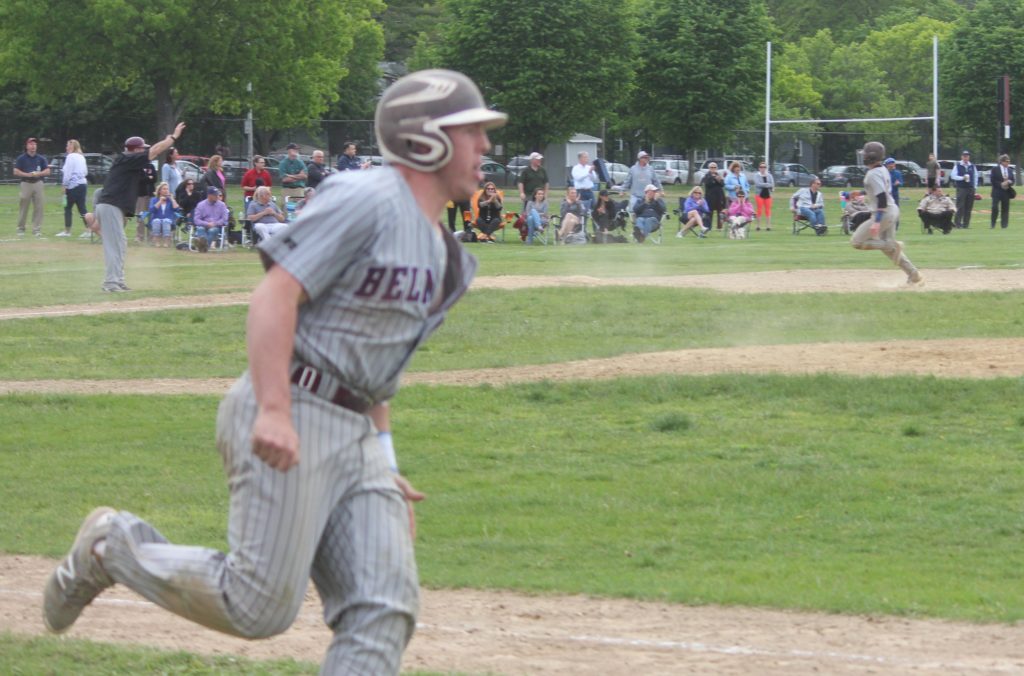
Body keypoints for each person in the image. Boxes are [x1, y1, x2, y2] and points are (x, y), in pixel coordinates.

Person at [43, 68, 501, 675]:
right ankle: (112, 547)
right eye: (471, 132)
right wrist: (276, 410)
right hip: (292, 403)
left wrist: (387, 463)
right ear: (425, 139)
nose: (486, 146)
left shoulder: (449, 259)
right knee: (258, 606)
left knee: (384, 607)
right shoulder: (364, 199)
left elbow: (378, 368)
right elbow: (275, 296)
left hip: (357, 435)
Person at [88, 125, 185, 292]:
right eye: (142, 149)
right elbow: (155, 150)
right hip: (110, 206)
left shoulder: (130, 165)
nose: (144, 151)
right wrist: (173, 138)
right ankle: (110, 283)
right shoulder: (126, 159)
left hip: (115, 207)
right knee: (115, 245)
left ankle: (118, 281)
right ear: (135, 150)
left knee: (120, 243)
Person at [851, 141, 922, 285]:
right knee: (888, 249)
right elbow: (878, 190)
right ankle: (913, 274)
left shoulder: (873, 174)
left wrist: (877, 222)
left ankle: (890, 244)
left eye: (865, 154)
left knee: (857, 242)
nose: (864, 157)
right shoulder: (882, 169)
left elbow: (882, 198)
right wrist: (861, 192)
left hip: (883, 213)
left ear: (871, 156)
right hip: (891, 210)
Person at [14, 137, 50, 237]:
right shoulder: (21, 158)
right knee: (24, 206)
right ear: (27, 146)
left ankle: (36, 229)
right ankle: (21, 228)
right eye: (31, 144)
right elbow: (16, 171)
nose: (33, 146)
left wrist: (39, 173)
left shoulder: (41, 158)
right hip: (26, 183)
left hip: (38, 183)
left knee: (39, 207)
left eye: (34, 144)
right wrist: (27, 175)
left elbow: (47, 171)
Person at [59, 139, 89, 238]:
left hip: (73, 186)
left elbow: (68, 173)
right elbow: (85, 172)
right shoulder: (82, 157)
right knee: (82, 208)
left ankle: (67, 231)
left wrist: (64, 185)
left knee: (68, 208)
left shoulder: (70, 157)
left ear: (72, 147)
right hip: (82, 185)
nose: (66, 148)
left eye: (68, 146)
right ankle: (88, 230)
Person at [192, 186, 230, 251]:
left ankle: (202, 246)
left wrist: (215, 223)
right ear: (209, 195)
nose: (217, 196)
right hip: (203, 226)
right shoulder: (201, 205)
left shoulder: (222, 205)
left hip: (216, 227)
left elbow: (224, 219)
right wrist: (207, 224)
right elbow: (196, 220)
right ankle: (204, 246)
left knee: (212, 230)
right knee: (200, 229)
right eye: (215, 195)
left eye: (218, 195)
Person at [951, 149, 978, 229]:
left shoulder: (972, 166)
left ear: (969, 157)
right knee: (960, 206)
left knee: (969, 207)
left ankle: (966, 224)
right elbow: (953, 176)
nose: (966, 158)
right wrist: (962, 178)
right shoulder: (958, 165)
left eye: (967, 156)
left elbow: (975, 176)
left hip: (970, 188)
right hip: (961, 188)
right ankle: (957, 224)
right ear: (962, 157)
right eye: (964, 156)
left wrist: (975, 187)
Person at [570, 151, 598, 225]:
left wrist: (591, 172)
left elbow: (594, 178)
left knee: (595, 209)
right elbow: (578, 178)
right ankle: (582, 228)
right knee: (582, 211)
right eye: (585, 157)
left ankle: (596, 228)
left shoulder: (589, 167)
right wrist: (588, 172)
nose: (587, 159)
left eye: (587, 157)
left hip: (589, 191)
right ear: (580, 158)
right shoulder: (575, 168)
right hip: (580, 192)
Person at [148, 182, 179, 248]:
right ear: (159, 191)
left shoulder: (170, 200)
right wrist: (160, 201)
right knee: (156, 221)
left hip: (169, 221)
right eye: (164, 189)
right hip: (156, 220)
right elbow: (151, 210)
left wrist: (172, 199)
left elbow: (177, 209)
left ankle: (166, 242)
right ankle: (156, 241)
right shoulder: (153, 200)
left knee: (166, 221)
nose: (166, 190)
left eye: (167, 189)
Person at [989, 153, 1015, 229]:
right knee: (995, 207)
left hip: (1006, 192)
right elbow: (992, 180)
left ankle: (1004, 225)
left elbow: (1013, 180)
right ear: (1002, 161)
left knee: (1005, 208)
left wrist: (1009, 182)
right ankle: (993, 224)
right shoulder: (995, 169)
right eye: (1006, 161)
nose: (1008, 163)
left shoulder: (1010, 170)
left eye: (1009, 161)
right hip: (997, 191)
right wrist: (1001, 184)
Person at [134, 159, 158, 244]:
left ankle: (150, 237)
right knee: (140, 216)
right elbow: (138, 179)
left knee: (151, 216)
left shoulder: (151, 166)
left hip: (151, 195)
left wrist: (147, 178)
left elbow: (155, 179)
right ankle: (139, 236)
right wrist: (148, 177)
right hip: (141, 195)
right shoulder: (138, 166)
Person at [701, 162, 726, 229]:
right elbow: (708, 184)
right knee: (709, 212)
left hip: (719, 197)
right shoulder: (706, 176)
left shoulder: (719, 175)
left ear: (716, 168)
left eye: (714, 167)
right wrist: (714, 179)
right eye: (711, 167)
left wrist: (719, 180)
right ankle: (708, 227)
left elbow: (722, 184)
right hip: (710, 198)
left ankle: (719, 227)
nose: (713, 169)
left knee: (720, 212)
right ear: (709, 168)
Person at [752, 161, 774, 231]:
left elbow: (772, 184)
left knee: (768, 210)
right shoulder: (756, 175)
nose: (763, 168)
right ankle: (758, 225)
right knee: (759, 210)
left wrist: (765, 185)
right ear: (759, 168)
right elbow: (757, 184)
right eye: (761, 167)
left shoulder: (769, 175)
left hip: (768, 195)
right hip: (759, 195)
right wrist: (767, 184)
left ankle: (768, 226)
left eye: (764, 167)